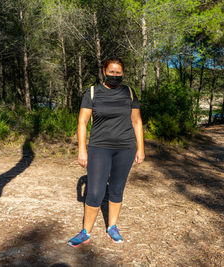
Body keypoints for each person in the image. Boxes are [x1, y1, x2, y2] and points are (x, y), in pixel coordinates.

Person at [68, 57, 145, 247]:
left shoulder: (129, 92)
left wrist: (141, 148)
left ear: (123, 74)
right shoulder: (93, 92)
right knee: (95, 191)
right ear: (104, 71)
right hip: (99, 147)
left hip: (125, 148)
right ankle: (85, 231)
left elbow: (136, 121)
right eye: (111, 72)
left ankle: (112, 226)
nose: (115, 75)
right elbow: (82, 122)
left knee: (117, 188)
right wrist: (82, 150)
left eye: (118, 73)